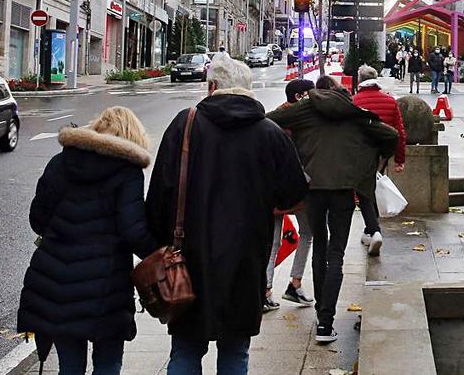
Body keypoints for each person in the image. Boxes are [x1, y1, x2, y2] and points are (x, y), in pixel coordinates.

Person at [147, 54, 308, 374]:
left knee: (185, 350)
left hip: (188, 259)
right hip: (246, 261)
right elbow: (293, 193)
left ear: (212, 86)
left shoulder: (186, 124)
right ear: (248, 89)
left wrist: (155, 244)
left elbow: (159, 196)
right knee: (235, 351)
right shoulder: (269, 133)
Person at [18, 107, 158, 375]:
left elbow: (38, 220)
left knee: (70, 366)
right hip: (106, 288)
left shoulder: (61, 162)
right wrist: (163, 253)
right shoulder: (127, 171)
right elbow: (133, 232)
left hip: (56, 283)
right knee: (108, 362)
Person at [267, 74, 398, 344]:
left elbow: (269, 122)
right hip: (343, 191)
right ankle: (325, 324)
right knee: (336, 253)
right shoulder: (353, 112)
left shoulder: (305, 109)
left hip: (313, 190)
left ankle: (320, 313)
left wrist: (295, 159)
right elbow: (390, 135)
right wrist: (368, 166)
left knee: (320, 248)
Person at [263, 79, 317, 312]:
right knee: (307, 233)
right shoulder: (299, 120)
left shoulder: (269, 119)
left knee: (272, 241)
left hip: (271, 189)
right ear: (299, 96)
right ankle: (295, 283)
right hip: (297, 188)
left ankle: (265, 290)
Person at [351, 64, 407, 257]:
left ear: (360, 81)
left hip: (361, 154)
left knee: (365, 193)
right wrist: (399, 159)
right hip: (383, 154)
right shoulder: (390, 101)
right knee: (372, 188)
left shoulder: (353, 101)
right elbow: (399, 133)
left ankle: (373, 230)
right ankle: (370, 230)